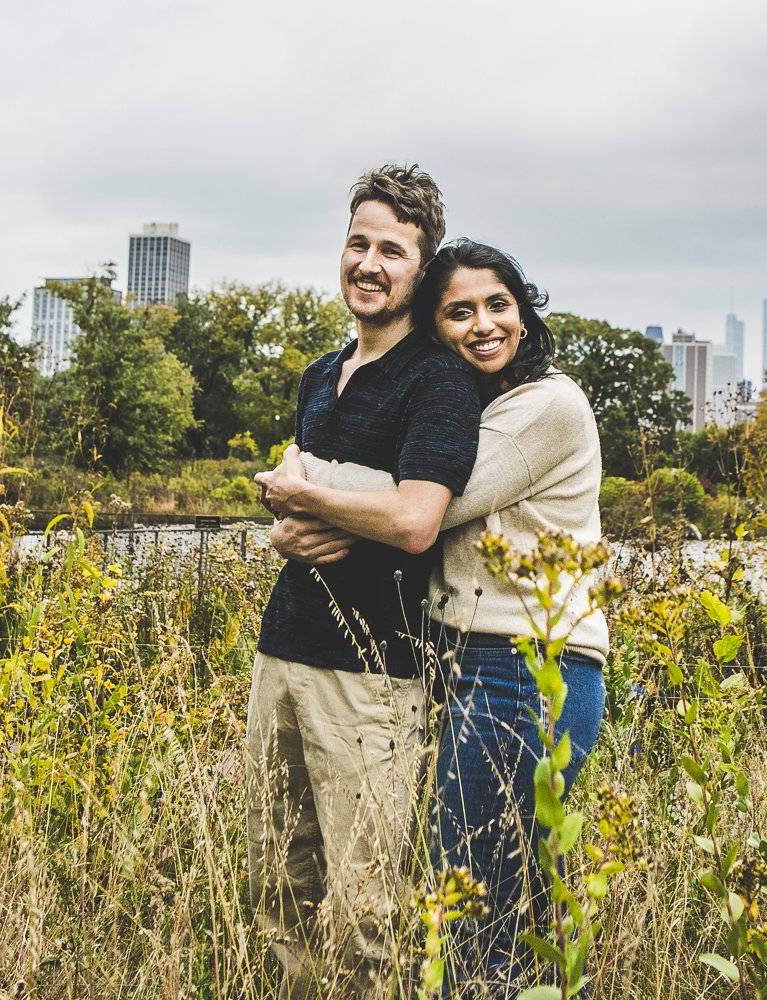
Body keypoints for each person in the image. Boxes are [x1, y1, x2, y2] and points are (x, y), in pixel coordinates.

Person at [257, 239, 608, 994]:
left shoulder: (545, 406)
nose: (483, 324)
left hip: (528, 668)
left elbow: (421, 507)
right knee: (477, 897)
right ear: (434, 322)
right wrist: (307, 485)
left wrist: (298, 487)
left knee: (479, 910)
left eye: (498, 305)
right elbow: (391, 482)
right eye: (459, 311)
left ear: (524, 313)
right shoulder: (476, 402)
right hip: (466, 661)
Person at [246, 166, 481, 1000]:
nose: (369, 263)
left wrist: (304, 495)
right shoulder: (320, 372)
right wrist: (287, 517)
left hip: (373, 674)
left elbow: (416, 520)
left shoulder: (439, 380)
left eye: (392, 249)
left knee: (362, 904)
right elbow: (296, 505)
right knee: (278, 885)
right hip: (283, 650)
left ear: (421, 268)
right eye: (358, 243)